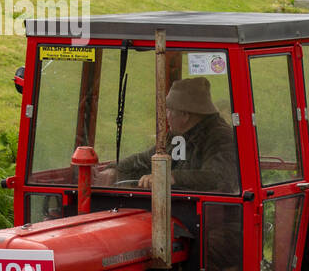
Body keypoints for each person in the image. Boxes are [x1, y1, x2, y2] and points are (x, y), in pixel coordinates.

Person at [97, 77, 238, 192]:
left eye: (169, 111)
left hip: (213, 217)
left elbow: (219, 178)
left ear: (185, 115)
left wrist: (172, 177)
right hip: (180, 207)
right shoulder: (178, 134)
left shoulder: (221, 138)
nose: (166, 116)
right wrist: (114, 169)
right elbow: (146, 159)